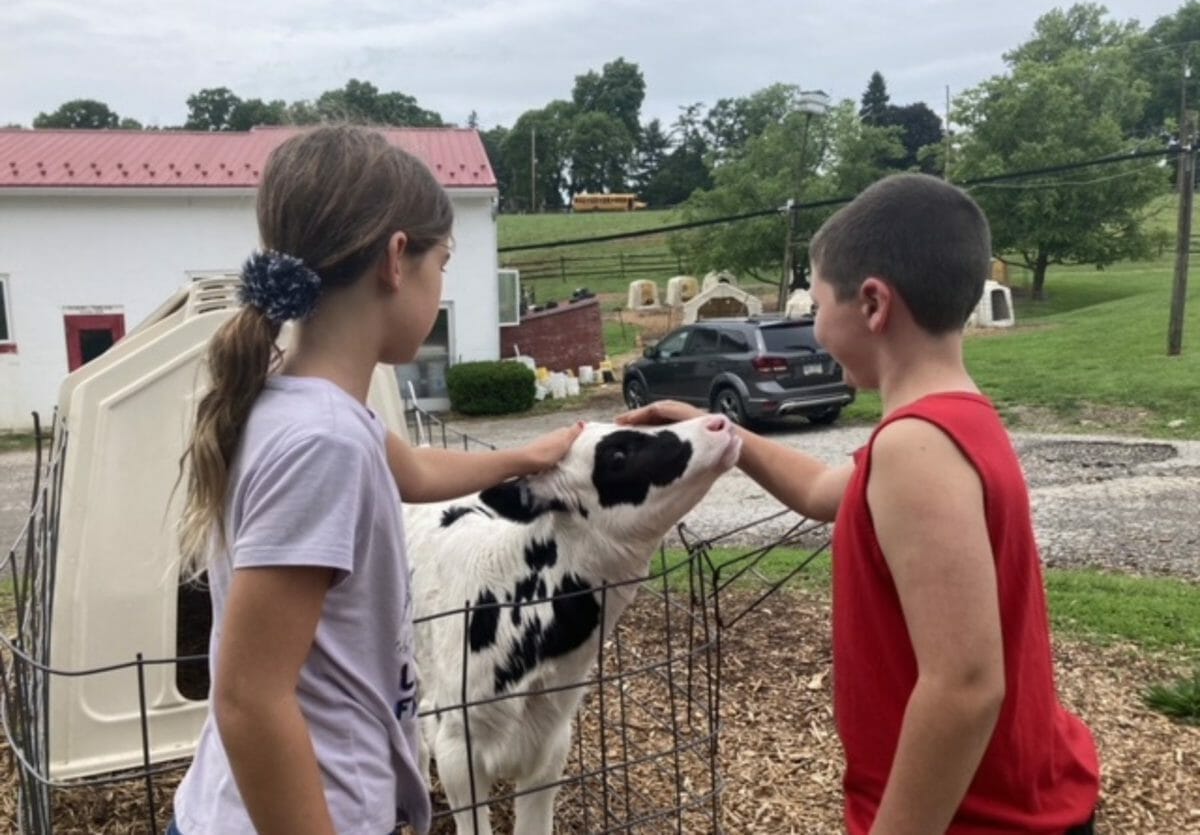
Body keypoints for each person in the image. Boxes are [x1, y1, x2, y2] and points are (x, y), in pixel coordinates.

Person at [619, 173, 1100, 834]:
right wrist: (716, 428)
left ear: (873, 303)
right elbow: (822, 492)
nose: (813, 327)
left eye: (816, 304)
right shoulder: (947, 424)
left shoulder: (915, 451)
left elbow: (964, 685)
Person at [170, 125, 582, 835]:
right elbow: (250, 699)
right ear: (398, 258)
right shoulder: (322, 441)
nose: (441, 280)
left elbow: (415, 470)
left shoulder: (303, 403)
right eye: (443, 261)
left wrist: (526, 457)